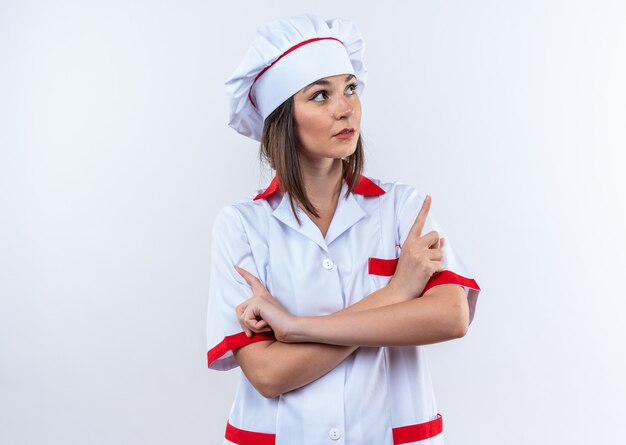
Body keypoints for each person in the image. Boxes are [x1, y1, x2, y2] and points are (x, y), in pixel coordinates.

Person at [206, 13, 481, 445]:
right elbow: (268, 374)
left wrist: (295, 329)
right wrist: (395, 295)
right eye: (320, 95)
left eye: (350, 87)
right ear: (282, 119)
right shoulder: (242, 226)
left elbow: (451, 316)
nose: (345, 107)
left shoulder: (402, 208)